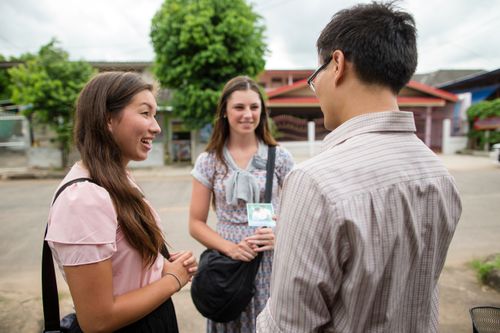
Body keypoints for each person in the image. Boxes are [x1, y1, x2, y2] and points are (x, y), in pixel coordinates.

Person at [257, 2, 462, 333]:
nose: (316, 90)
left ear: (337, 64)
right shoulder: (439, 175)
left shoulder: (315, 182)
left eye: (314, 77)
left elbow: (287, 327)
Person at [45, 72, 197, 332]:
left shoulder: (118, 179)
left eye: (155, 114)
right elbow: (98, 319)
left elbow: (124, 271)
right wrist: (173, 279)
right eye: (145, 113)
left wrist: (160, 265)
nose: (156, 126)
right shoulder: (84, 198)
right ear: (107, 119)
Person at [189, 75, 294, 332]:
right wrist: (231, 249)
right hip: (228, 263)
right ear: (225, 111)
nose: (248, 114)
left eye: (254, 107)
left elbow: (301, 213)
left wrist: (280, 236)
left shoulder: (278, 157)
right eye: (239, 107)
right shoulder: (209, 161)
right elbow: (195, 223)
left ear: (262, 112)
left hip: (269, 262)